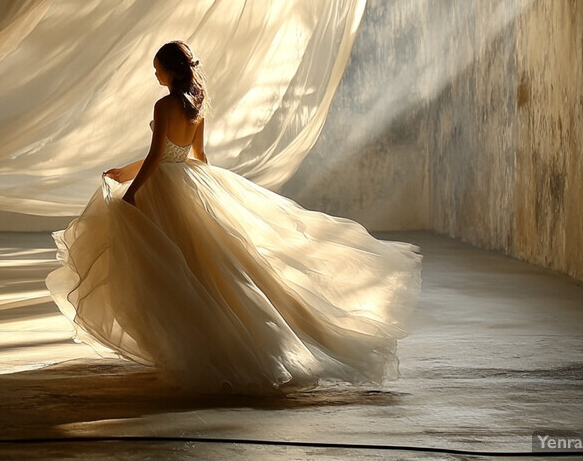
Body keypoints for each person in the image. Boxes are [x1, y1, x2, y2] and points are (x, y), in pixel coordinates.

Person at [46, 40, 422, 395]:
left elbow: (158, 156)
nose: (155, 75)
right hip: (189, 180)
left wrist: (130, 191)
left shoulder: (164, 106)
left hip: (166, 186)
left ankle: (201, 346)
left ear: (171, 71)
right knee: (207, 267)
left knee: (177, 270)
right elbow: (196, 155)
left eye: (157, 68)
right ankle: (223, 340)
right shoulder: (197, 103)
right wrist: (200, 190)